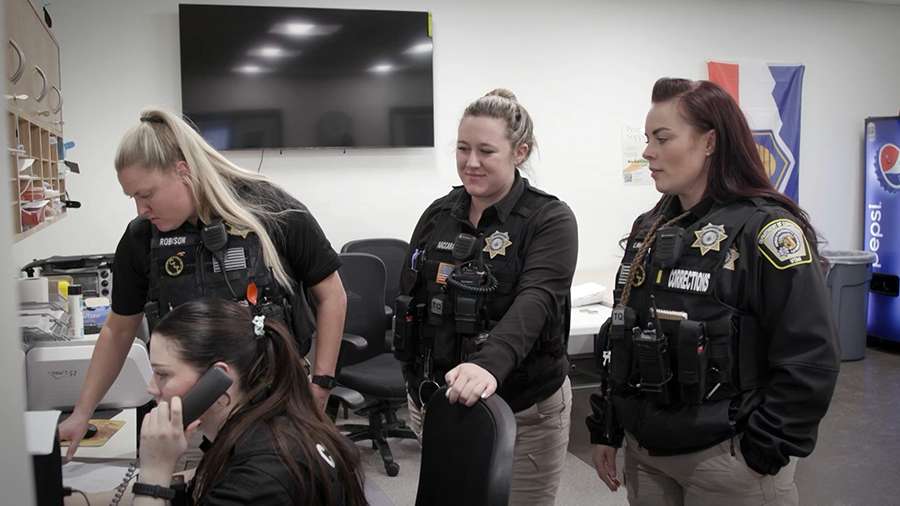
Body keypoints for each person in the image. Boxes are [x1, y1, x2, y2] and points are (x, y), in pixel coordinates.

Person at [587, 78, 840, 505]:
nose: (647, 152)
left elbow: (811, 356)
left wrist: (764, 449)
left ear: (709, 142)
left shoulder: (766, 230)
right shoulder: (649, 229)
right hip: (646, 453)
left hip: (729, 459)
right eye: (647, 139)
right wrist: (607, 426)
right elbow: (622, 335)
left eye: (662, 138)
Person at [59, 109, 347, 458]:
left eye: (147, 195)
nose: (141, 210)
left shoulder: (273, 211)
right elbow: (118, 330)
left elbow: (332, 296)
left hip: (278, 400)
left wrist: (321, 384)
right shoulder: (141, 239)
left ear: (183, 171)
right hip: (202, 415)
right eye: (133, 197)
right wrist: (82, 413)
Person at [395, 89, 578, 505]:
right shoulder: (439, 214)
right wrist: (414, 379)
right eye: (463, 149)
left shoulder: (549, 219)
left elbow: (536, 301)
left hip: (523, 410)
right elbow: (413, 296)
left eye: (486, 151)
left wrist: (487, 366)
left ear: (520, 151)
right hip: (442, 403)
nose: (471, 162)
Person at [133, 298, 366, 505]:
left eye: (162, 374)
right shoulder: (266, 422)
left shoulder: (260, 476)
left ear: (217, 379)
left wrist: (154, 473)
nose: (151, 388)